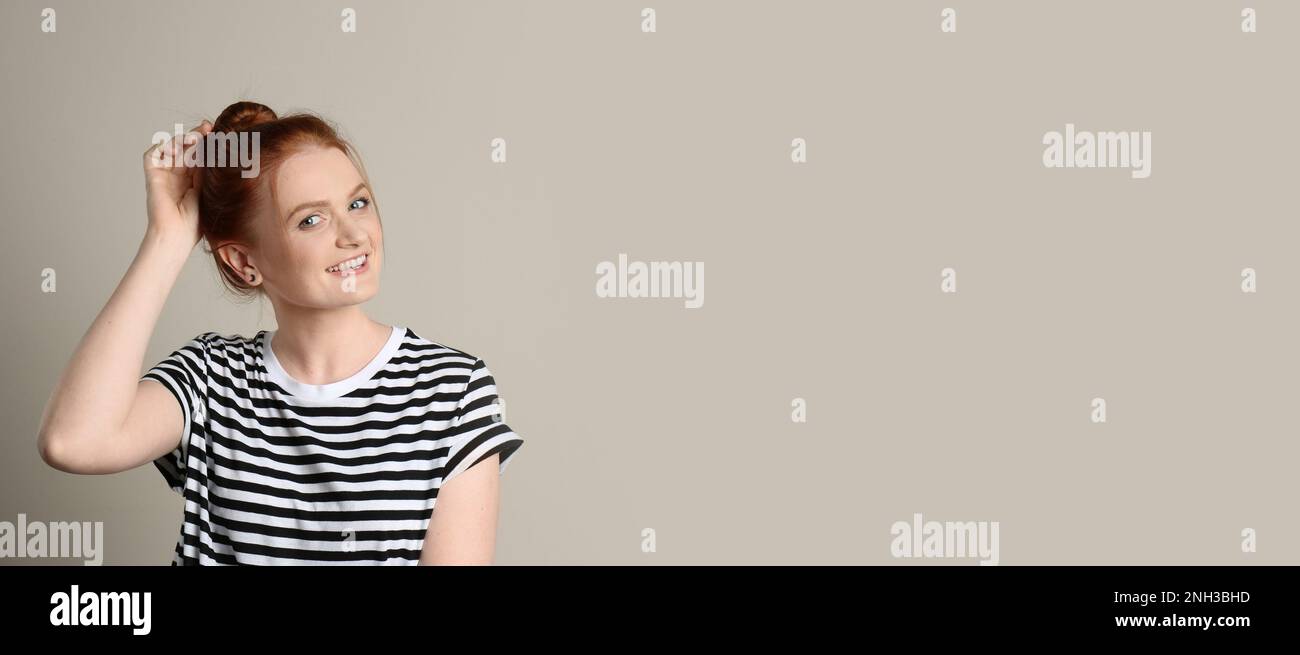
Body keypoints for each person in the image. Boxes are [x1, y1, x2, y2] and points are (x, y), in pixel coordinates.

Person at [36, 101, 524, 565]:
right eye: (311, 219)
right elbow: (74, 441)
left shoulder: (453, 389)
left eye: (358, 203)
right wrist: (167, 238)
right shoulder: (211, 379)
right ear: (245, 262)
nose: (354, 235)